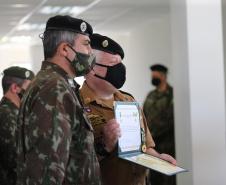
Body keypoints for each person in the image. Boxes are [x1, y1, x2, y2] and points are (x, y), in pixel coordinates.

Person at [79, 33, 177, 185]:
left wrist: (158, 158)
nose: (120, 69)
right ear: (92, 67)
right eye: (113, 63)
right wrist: (105, 146)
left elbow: (145, 148)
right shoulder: (75, 105)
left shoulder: (129, 101)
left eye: (120, 63)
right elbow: (73, 164)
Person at [16, 15, 103, 185]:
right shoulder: (55, 88)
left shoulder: (53, 82)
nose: (91, 52)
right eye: (86, 44)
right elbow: (47, 169)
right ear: (64, 49)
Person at [0, 66, 34, 185]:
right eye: (29, 88)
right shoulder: (6, 115)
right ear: (14, 87)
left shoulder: (17, 114)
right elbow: (16, 159)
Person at [143, 64, 175, 185]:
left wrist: (151, 135)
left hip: (167, 146)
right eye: (152, 76)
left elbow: (170, 120)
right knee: (154, 178)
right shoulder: (151, 95)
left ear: (164, 76)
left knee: (168, 179)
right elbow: (143, 116)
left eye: (155, 76)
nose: (153, 78)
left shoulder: (172, 95)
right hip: (153, 147)